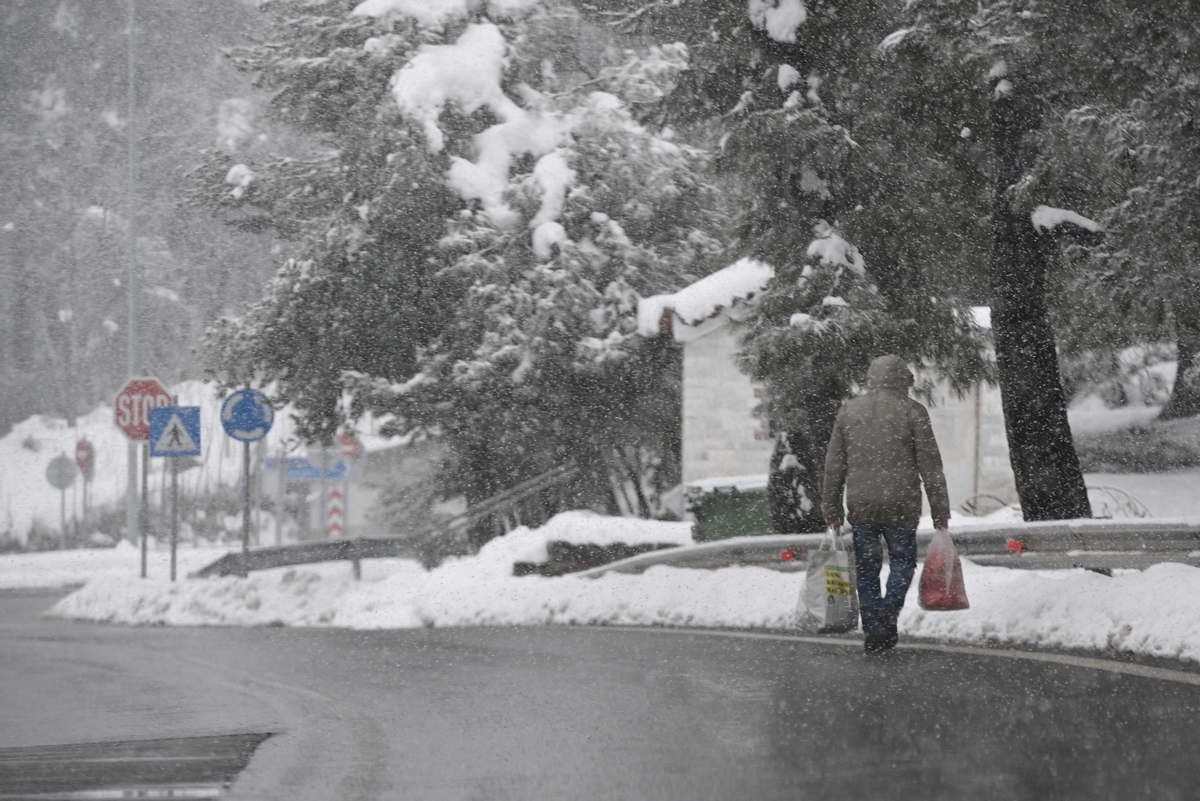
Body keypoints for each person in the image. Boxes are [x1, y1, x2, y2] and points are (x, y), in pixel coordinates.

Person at [822, 354, 950, 654]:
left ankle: (874, 631)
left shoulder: (849, 411)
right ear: (903, 379)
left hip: (862, 503)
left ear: (871, 378)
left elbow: (833, 466)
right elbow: (931, 466)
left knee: (866, 568)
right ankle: (890, 607)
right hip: (901, 503)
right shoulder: (913, 411)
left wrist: (832, 508)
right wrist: (940, 510)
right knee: (902, 561)